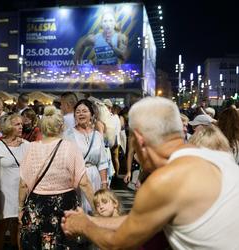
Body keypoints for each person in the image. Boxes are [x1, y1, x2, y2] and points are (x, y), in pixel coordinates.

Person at [61, 96, 239, 249]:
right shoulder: (214, 157)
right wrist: (91, 220)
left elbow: (117, 243)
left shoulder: (164, 182)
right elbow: (136, 220)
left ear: (139, 139)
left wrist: (84, 226)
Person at [19, 105, 94, 250]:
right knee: (62, 244)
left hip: (37, 204)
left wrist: (20, 207)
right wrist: (97, 209)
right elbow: (84, 183)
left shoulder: (31, 147)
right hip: (64, 205)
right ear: (61, 127)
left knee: (36, 244)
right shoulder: (70, 147)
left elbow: (23, 183)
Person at [0, 113, 29, 250]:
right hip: (4, 195)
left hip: (22, 193)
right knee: (1, 227)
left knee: (19, 227)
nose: (21, 127)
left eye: (21, 124)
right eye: (17, 124)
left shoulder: (27, 145)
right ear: (8, 126)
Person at [64, 99, 108, 213]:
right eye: (78, 112)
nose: (81, 114)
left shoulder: (97, 135)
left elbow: (102, 161)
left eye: (84, 111)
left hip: (95, 177)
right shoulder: (68, 134)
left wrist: (104, 184)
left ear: (92, 114)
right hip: (76, 179)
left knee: (96, 210)